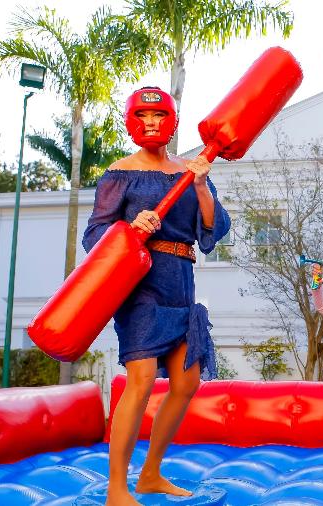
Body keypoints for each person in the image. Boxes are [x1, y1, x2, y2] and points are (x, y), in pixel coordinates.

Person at [82, 86, 230, 505]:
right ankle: (116, 489)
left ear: (172, 121)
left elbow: (214, 231)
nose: (151, 123)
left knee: (187, 383)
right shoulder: (119, 172)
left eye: (159, 115)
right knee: (142, 379)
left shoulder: (192, 169)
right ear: (132, 121)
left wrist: (201, 186)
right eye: (143, 116)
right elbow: (93, 235)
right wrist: (130, 230)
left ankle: (149, 475)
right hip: (140, 285)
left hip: (182, 281)